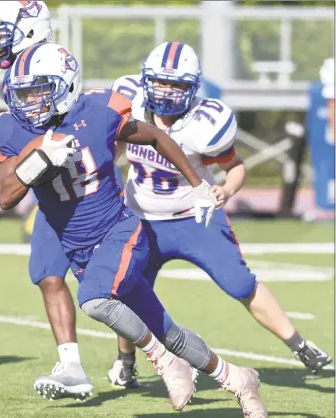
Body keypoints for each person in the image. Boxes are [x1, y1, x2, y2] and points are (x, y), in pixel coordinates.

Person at [0, 41, 268, 418]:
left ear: (64, 85)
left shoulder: (98, 112)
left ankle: (163, 360)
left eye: (39, 91)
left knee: (94, 300)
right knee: (169, 331)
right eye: (24, 93)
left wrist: (198, 185)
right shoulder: (17, 129)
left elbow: (154, 137)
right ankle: (238, 380)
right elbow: (5, 195)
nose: (30, 103)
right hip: (80, 249)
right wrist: (38, 158)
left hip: (121, 231)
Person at [106, 41, 332, 387]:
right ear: (145, 80)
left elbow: (236, 167)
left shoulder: (203, 122)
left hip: (193, 217)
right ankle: (125, 361)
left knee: (241, 283)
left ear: (192, 88)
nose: (166, 92)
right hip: (141, 218)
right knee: (127, 289)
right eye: (160, 82)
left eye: (176, 85)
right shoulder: (128, 100)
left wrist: (225, 190)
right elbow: (114, 143)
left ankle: (299, 344)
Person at [0, 0, 94, 400]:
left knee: (111, 290)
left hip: (88, 195)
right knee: (48, 274)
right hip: (51, 197)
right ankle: (72, 365)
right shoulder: (17, 80)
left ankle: (158, 352)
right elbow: (1, 139)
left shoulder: (49, 69)